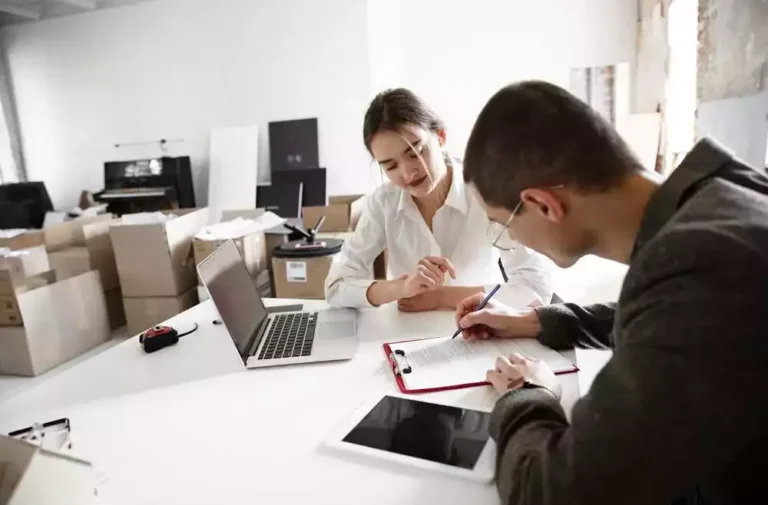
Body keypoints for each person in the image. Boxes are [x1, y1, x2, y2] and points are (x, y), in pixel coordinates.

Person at [455, 81, 768, 505]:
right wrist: (536, 320)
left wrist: (525, 394)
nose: (511, 236)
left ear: (544, 205)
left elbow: (552, 494)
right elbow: (673, 316)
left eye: (504, 222)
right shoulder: (724, 197)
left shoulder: (700, 265)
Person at [325, 88, 553, 312]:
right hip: (404, 337)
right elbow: (336, 286)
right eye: (390, 166)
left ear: (440, 136)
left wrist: (443, 297)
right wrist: (400, 288)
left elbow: (536, 286)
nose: (407, 174)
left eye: (415, 153)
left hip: (481, 331)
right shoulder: (384, 201)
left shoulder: (486, 191)